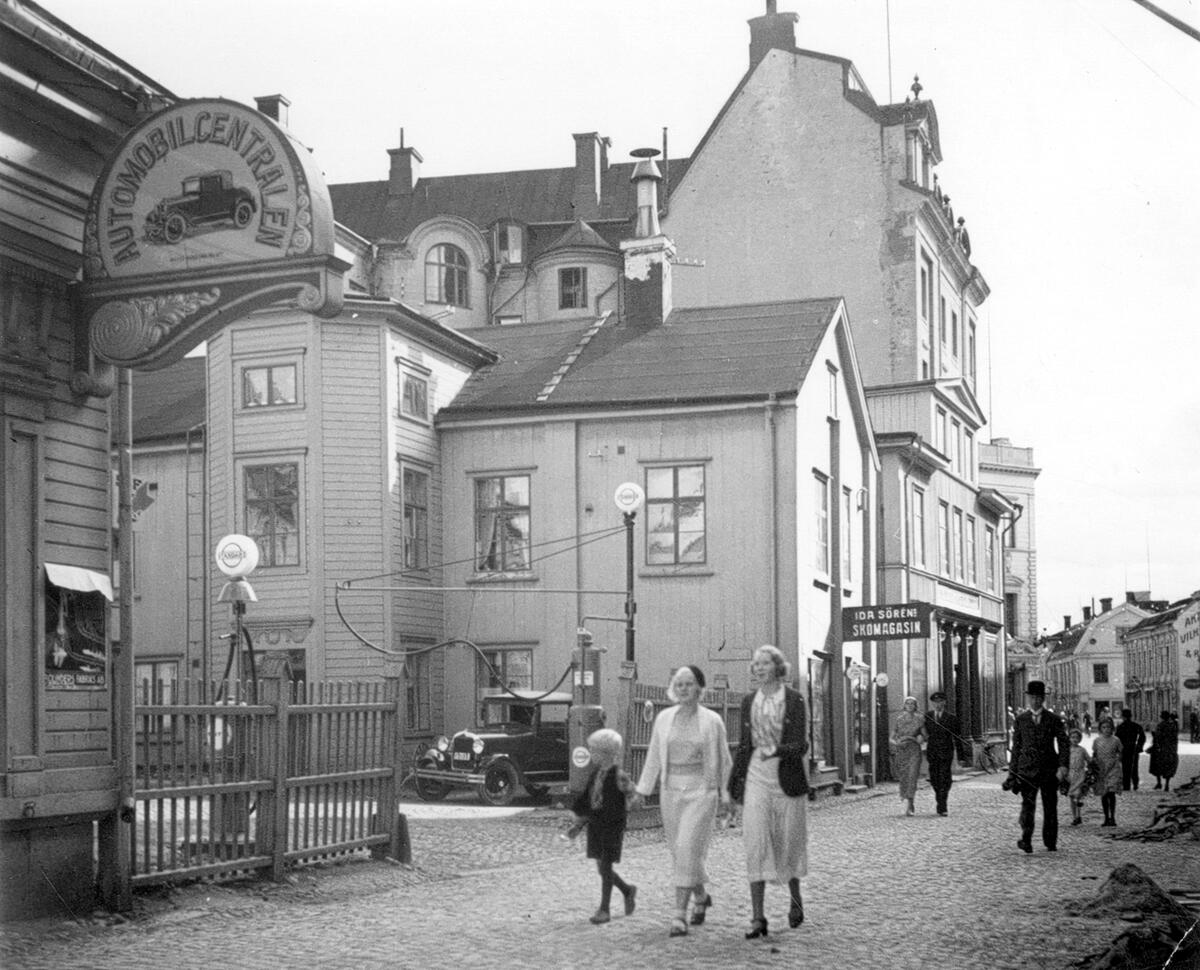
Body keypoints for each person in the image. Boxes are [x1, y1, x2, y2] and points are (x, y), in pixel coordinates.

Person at [633, 664, 731, 938]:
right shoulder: (664, 719)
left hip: (701, 792)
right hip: (671, 792)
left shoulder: (712, 721)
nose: (684, 689)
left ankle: (679, 915)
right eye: (679, 684)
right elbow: (653, 757)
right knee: (681, 852)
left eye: (689, 684)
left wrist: (726, 794)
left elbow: (724, 760)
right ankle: (701, 897)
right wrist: (642, 790)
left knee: (687, 847)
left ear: (700, 688)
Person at [728, 645, 809, 941]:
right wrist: (732, 788)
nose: (759, 668)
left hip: (786, 777)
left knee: (789, 840)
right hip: (756, 776)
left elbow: (801, 744)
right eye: (756, 664)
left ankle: (795, 900)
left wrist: (776, 749)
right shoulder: (749, 700)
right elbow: (744, 745)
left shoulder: (794, 699)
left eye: (765, 663)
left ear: (778, 667)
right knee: (756, 841)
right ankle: (757, 917)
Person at [569, 728, 637, 925]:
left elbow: (633, 795)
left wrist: (630, 802)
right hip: (596, 827)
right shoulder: (596, 774)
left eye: (594, 750)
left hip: (612, 827)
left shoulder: (619, 776)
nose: (590, 753)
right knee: (602, 868)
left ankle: (604, 909)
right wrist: (578, 824)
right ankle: (627, 890)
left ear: (605, 753)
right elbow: (587, 801)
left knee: (605, 866)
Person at [1006, 681, 1069, 853]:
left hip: (1049, 769)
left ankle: (1050, 841)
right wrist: (1012, 772)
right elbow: (1016, 747)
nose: (1035, 701)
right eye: (1032, 698)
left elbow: (1064, 743)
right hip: (1027, 770)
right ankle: (1026, 840)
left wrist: (1063, 766)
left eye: (1039, 698)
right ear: (1028, 698)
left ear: (1043, 699)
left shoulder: (1053, 719)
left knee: (1050, 806)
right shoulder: (1021, 720)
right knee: (1027, 806)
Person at [924, 690, 961, 817]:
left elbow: (957, 737)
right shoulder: (927, 716)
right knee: (934, 778)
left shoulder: (951, 718)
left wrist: (961, 756)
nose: (937, 704)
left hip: (946, 751)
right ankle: (939, 798)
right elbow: (923, 732)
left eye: (940, 702)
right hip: (932, 751)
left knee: (945, 777)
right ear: (932, 703)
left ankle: (942, 804)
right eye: (935, 702)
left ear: (944, 702)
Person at [890, 696, 927, 816]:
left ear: (915, 706)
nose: (910, 706)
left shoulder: (919, 719)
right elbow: (892, 737)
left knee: (912, 776)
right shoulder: (899, 719)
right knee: (904, 777)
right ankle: (906, 797)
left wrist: (921, 738)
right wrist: (896, 743)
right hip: (902, 750)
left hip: (914, 750)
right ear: (904, 705)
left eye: (912, 704)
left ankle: (910, 803)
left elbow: (925, 735)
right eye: (907, 703)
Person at [1090, 716, 1123, 826]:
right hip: (1101, 769)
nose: (1106, 729)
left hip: (1113, 768)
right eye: (1104, 727)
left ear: (1112, 728)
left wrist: (1118, 760)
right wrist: (1093, 765)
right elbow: (1094, 754)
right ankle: (1106, 817)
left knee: (1111, 793)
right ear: (1100, 729)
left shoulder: (1116, 740)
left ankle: (1112, 817)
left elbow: (1120, 752)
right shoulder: (1097, 741)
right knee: (1104, 794)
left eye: (1108, 727)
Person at [1147, 711, 1179, 792]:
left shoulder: (1160, 725)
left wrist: (1153, 735)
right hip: (1170, 749)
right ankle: (1167, 785)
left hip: (1160, 749)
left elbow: (1158, 737)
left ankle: (1159, 783)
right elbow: (1175, 738)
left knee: (1157, 766)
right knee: (1168, 767)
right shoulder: (1173, 726)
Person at [1114, 709, 1146, 791]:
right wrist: (1139, 746)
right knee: (1134, 767)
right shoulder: (1136, 726)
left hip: (1124, 749)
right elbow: (1142, 737)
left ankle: (1126, 785)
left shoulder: (1120, 727)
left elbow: (1117, 739)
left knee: (1125, 767)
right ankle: (1135, 783)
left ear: (1123, 717)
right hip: (1133, 748)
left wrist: (1117, 749)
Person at [1065, 729, 1091, 826]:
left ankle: (1079, 815)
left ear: (1080, 739)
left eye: (1077, 737)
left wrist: (1091, 767)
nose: (1075, 739)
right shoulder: (1067, 750)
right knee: (1072, 796)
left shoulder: (1082, 750)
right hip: (1070, 775)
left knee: (1078, 795)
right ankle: (1074, 817)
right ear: (1069, 738)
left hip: (1080, 774)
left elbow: (1089, 760)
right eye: (1073, 737)